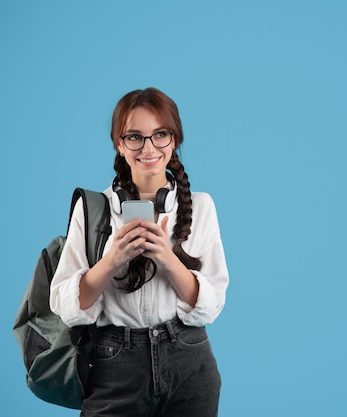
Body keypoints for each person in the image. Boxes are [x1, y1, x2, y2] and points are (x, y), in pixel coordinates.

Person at [50, 87, 229, 417]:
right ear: (119, 144)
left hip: (189, 361)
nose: (148, 148)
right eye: (135, 137)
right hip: (114, 363)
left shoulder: (202, 206)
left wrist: (166, 258)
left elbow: (211, 304)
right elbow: (65, 303)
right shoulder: (93, 209)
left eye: (160, 134)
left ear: (174, 140)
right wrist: (112, 260)